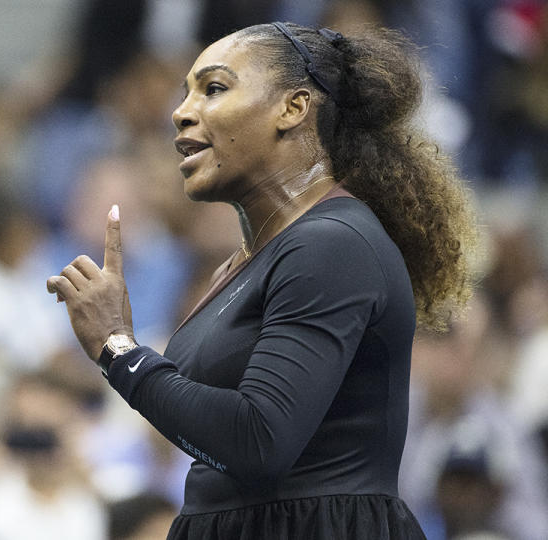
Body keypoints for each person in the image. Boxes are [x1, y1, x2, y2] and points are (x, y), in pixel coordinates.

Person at [47, 21, 478, 539]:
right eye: (185, 93)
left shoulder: (331, 244)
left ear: (293, 108)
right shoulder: (255, 259)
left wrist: (117, 350)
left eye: (214, 88)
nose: (181, 111)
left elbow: (259, 441)